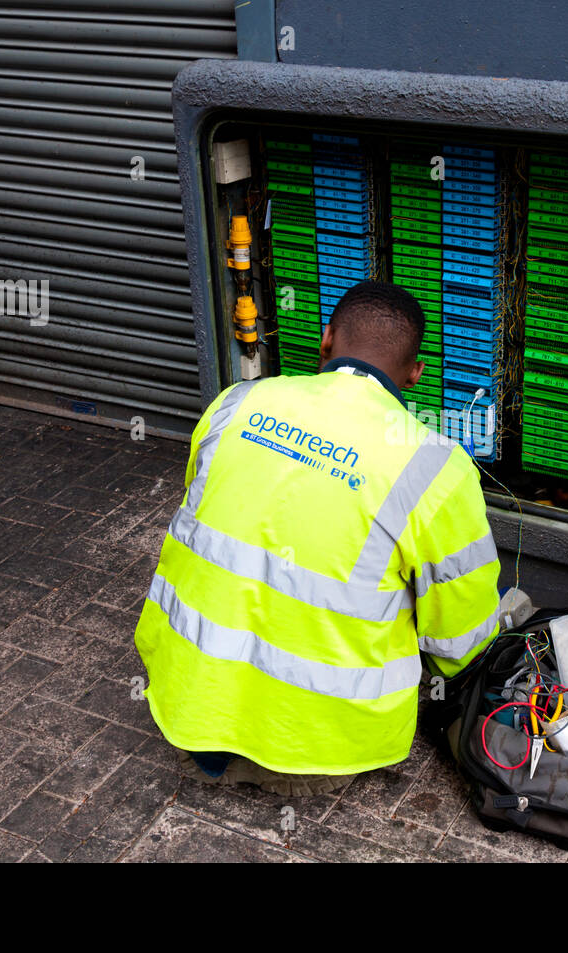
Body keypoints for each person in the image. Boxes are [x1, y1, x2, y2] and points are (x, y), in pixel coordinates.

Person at [134, 280, 502, 796]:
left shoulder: (237, 402)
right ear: (415, 374)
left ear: (325, 341)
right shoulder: (436, 468)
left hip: (191, 709)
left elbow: (199, 506)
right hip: (319, 747)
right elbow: (461, 639)